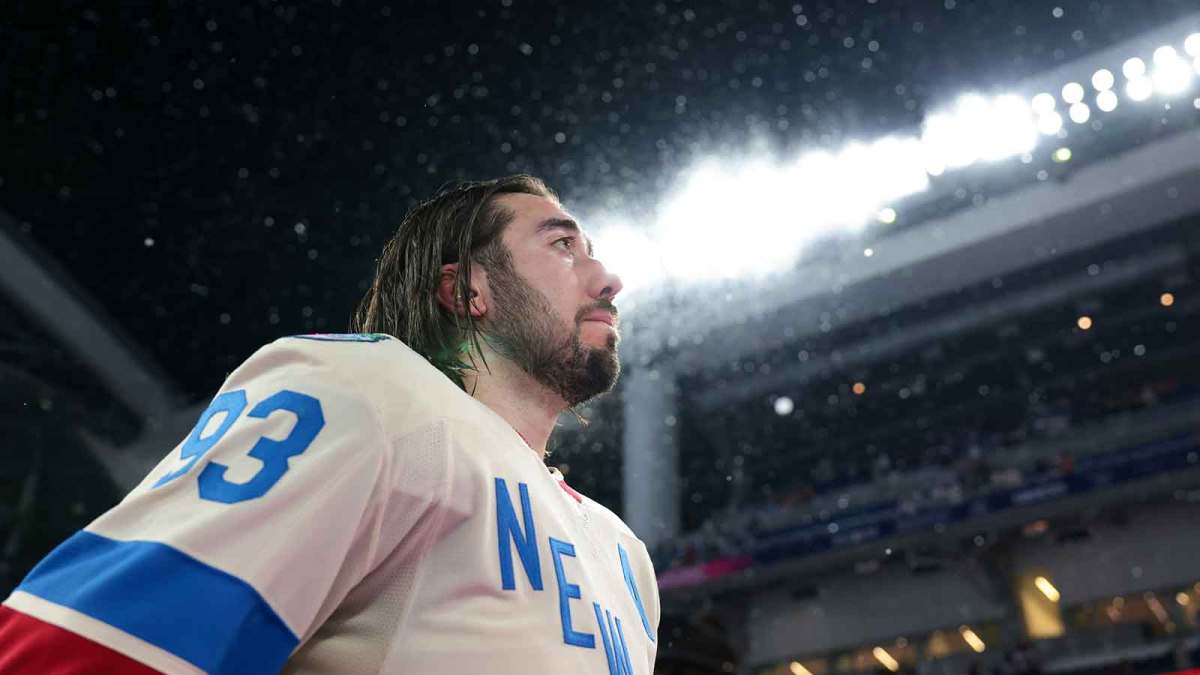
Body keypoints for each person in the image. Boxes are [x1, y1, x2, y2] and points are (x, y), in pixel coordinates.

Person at [0, 175, 660, 674]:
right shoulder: (376, 393)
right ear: (465, 291)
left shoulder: (625, 556)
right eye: (563, 245)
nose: (608, 278)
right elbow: (92, 641)